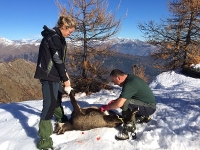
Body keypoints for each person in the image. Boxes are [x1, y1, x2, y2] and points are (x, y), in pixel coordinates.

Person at [34, 15, 76, 149]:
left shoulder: (58, 37)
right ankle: (44, 141)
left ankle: (61, 120)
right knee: (49, 105)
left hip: (54, 74)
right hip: (49, 76)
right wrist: (66, 81)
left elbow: (59, 61)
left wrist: (65, 74)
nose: (70, 34)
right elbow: (57, 60)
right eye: (70, 31)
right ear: (64, 27)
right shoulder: (54, 38)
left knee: (56, 99)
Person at [100, 69, 156, 140]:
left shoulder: (130, 84)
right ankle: (142, 117)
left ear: (118, 78)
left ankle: (129, 131)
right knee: (124, 101)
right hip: (147, 105)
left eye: (114, 81)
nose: (114, 84)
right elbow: (127, 96)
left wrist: (107, 107)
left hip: (149, 107)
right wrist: (115, 101)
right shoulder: (130, 78)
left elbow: (120, 104)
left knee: (125, 103)